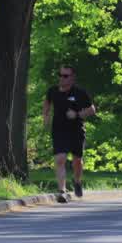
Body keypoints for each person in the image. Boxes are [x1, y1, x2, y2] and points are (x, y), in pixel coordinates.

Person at [42, 65, 97, 203]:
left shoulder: (79, 93)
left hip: (76, 131)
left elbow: (92, 110)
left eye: (65, 76)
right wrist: (46, 116)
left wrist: (77, 114)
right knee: (60, 159)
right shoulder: (52, 91)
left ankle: (77, 181)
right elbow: (47, 103)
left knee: (77, 161)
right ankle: (62, 191)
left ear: (72, 78)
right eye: (60, 75)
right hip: (59, 130)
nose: (61, 78)